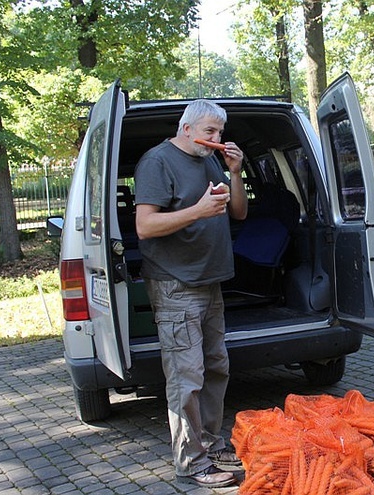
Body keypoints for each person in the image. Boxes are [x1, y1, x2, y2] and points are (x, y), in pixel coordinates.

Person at [134, 99, 248, 488]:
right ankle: (191, 463)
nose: (217, 140)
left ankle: (210, 443)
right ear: (186, 128)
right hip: (175, 284)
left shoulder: (211, 160)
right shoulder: (157, 162)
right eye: (209, 132)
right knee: (186, 377)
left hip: (210, 281)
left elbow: (239, 213)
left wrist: (235, 173)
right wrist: (197, 211)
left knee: (216, 367)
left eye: (220, 133)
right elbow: (145, 227)